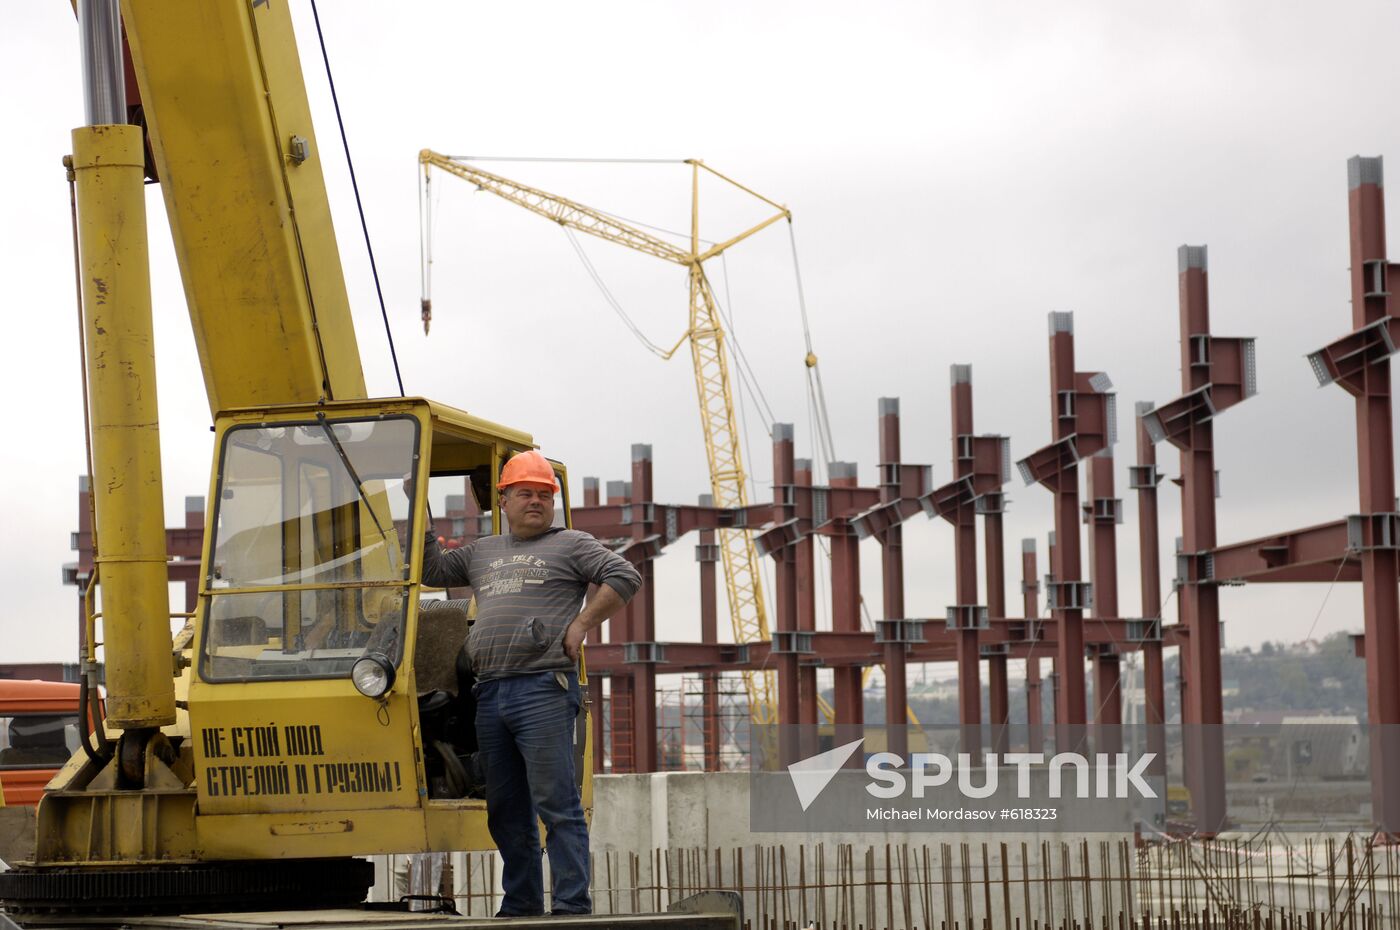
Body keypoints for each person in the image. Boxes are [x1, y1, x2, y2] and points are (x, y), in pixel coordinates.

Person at [420, 449, 641, 917]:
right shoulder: (483, 552)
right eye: (525, 493)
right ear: (504, 499)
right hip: (491, 692)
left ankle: (570, 906)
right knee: (505, 808)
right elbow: (432, 572)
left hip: (543, 688)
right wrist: (419, 513)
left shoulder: (571, 544)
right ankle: (520, 903)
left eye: (544, 495)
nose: (536, 502)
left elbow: (624, 574)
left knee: (557, 804)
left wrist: (581, 625)